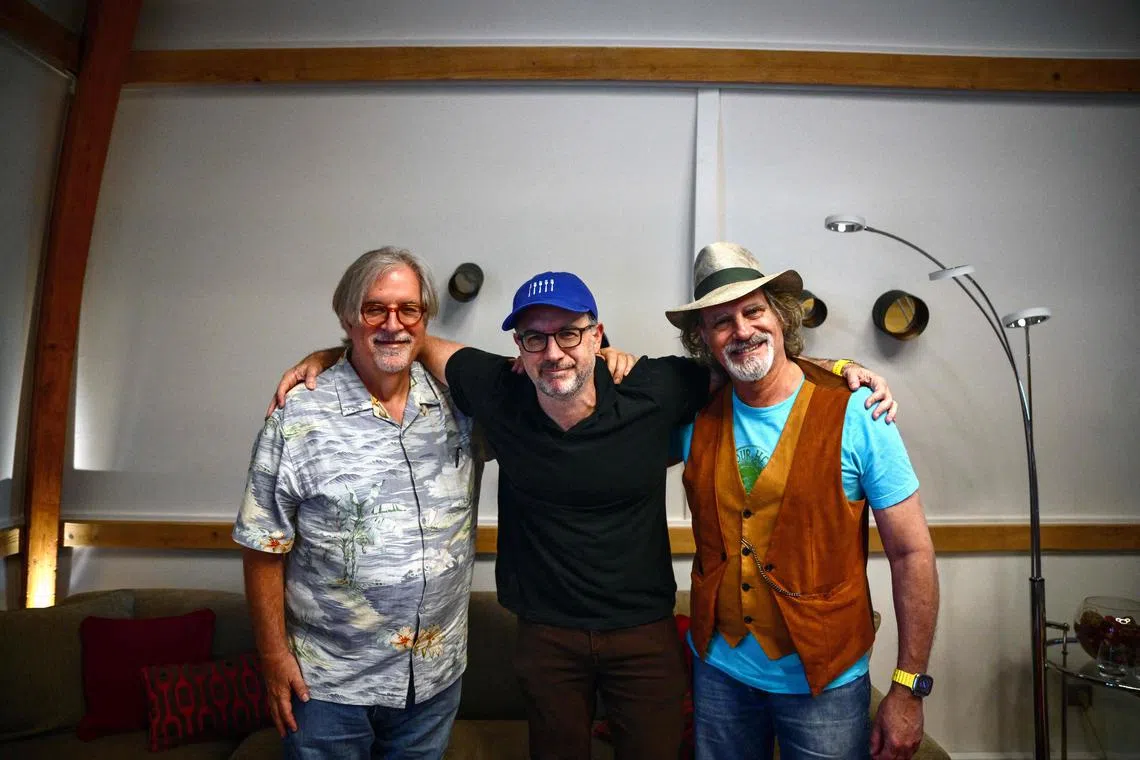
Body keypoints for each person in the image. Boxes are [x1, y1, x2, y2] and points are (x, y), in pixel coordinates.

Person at [270, 265, 898, 760]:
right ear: (518, 348)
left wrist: (839, 368)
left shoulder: (655, 388)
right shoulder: (498, 388)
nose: (554, 352)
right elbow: (407, 339)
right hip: (547, 636)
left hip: (643, 632)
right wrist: (331, 355)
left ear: (598, 336)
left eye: (570, 333)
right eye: (535, 338)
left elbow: (752, 364)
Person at [665, 242, 939, 760]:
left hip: (825, 684)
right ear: (703, 338)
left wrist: (908, 687)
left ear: (781, 316)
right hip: (718, 674)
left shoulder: (858, 410)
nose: (741, 330)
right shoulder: (693, 415)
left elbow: (912, 553)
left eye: (753, 311)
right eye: (721, 321)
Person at [234, 247, 479, 759]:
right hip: (328, 685)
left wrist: (611, 358)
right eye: (374, 310)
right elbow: (262, 545)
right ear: (348, 318)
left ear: (425, 318)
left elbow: (540, 382)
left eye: (408, 309)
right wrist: (273, 657)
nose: (393, 324)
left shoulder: (460, 405)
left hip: (432, 680)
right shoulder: (299, 415)